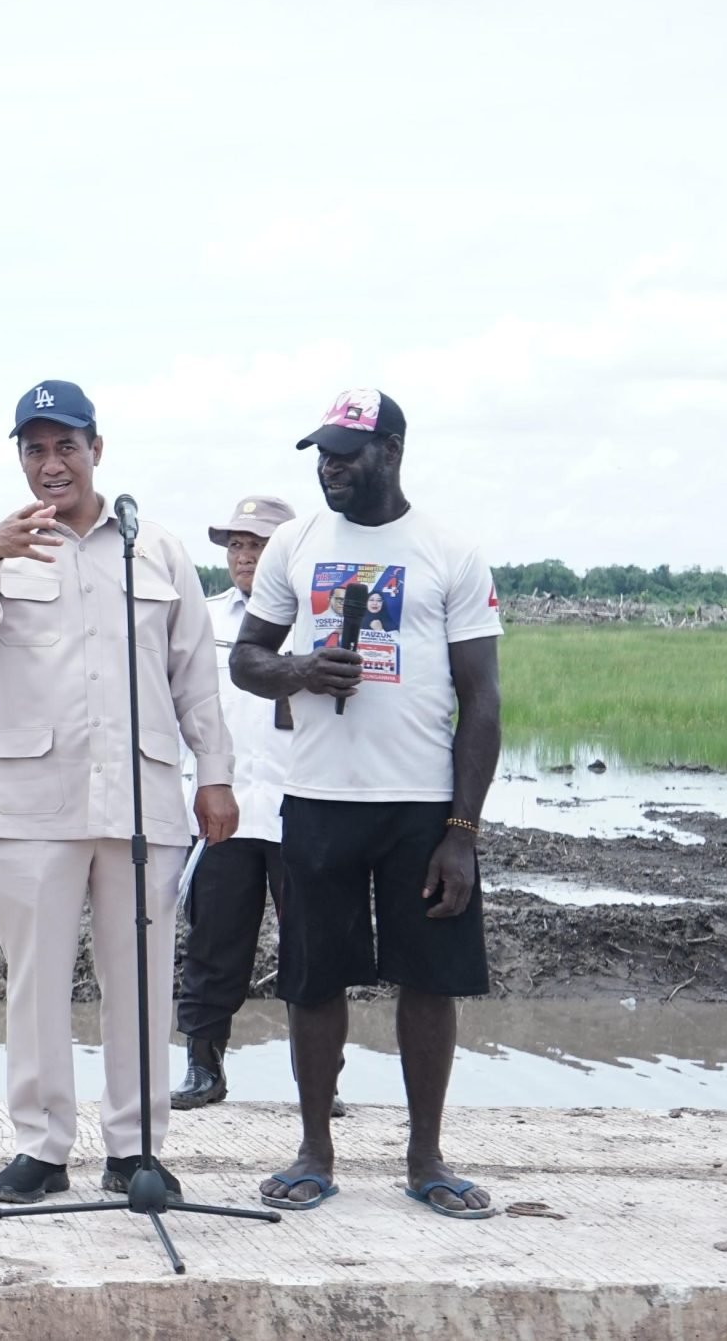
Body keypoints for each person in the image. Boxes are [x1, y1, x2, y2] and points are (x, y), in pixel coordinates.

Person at [0, 381, 238, 1206]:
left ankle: (137, 1146)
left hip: (141, 800)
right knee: (35, 980)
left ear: (96, 448)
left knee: (140, 978)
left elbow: (193, 674)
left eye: (65, 445)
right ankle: (41, 1146)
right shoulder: (5, 547)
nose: (50, 463)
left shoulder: (155, 548)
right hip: (34, 801)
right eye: (34, 449)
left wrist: (215, 773)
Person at [228, 389, 502, 1219]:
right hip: (318, 798)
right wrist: (303, 671)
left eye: (346, 451)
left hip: (421, 806)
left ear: (392, 448)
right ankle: (315, 1149)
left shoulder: (449, 552)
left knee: (430, 979)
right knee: (313, 978)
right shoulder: (293, 543)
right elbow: (247, 658)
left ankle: (426, 1157)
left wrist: (462, 830)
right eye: (322, 452)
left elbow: (481, 698)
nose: (330, 466)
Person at [171, 495, 297, 1110]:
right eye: (237, 546)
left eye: (259, 545)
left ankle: (320, 1080)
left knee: (312, 944)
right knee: (213, 941)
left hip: (302, 805)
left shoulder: (318, 620)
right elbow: (179, 706)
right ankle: (204, 1067)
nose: (245, 557)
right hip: (223, 804)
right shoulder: (207, 619)